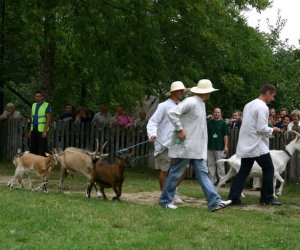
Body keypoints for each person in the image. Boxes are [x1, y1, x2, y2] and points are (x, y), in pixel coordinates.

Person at [159, 79, 232, 211]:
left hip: (195, 148)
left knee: (203, 174)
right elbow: (172, 113)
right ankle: (165, 200)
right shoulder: (191, 102)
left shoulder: (200, 103)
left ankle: (214, 202)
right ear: (207, 92)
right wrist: (180, 129)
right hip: (186, 147)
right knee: (175, 173)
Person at [228, 84, 281, 206]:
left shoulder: (249, 104)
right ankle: (267, 198)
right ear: (267, 93)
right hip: (257, 144)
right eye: (273, 96)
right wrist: (273, 130)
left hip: (247, 144)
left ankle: (234, 197)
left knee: (243, 171)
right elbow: (261, 128)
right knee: (269, 168)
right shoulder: (263, 107)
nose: (273, 99)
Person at [147, 81, 188, 204]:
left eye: (183, 91)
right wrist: (152, 134)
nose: (182, 93)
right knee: (165, 170)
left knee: (183, 170)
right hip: (164, 143)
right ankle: (164, 196)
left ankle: (173, 191)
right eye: (180, 90)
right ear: (174, 92)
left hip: (179, 143)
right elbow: (153, 122)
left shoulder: (183, 106)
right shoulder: (163, 106)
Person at [207, 107, 230, 185]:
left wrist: (226, 146)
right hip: (209, 146)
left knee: (220, 164)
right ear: (213, 113)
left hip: (219, 147)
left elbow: (226, 135)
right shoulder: (209, 123)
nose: (217, 113)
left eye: (218, 112)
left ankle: (222, 181)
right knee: (210, 164)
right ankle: (212, 180)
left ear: (220, 113)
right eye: (215, 112)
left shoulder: (223, 123)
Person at [28, 90, 52, 156]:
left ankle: (45, 164)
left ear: (42, 97)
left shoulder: (46, 105)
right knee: (33, 149)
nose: (37, 97)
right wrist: (30, 130)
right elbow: (32, 119)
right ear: (34, 97)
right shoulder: (33, 105)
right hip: (34, 129)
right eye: (36, 96)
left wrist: (45, 131)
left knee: (43, 149)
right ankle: (35, 165)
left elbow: (49, 119)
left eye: (39, 96)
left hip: (42, 130)